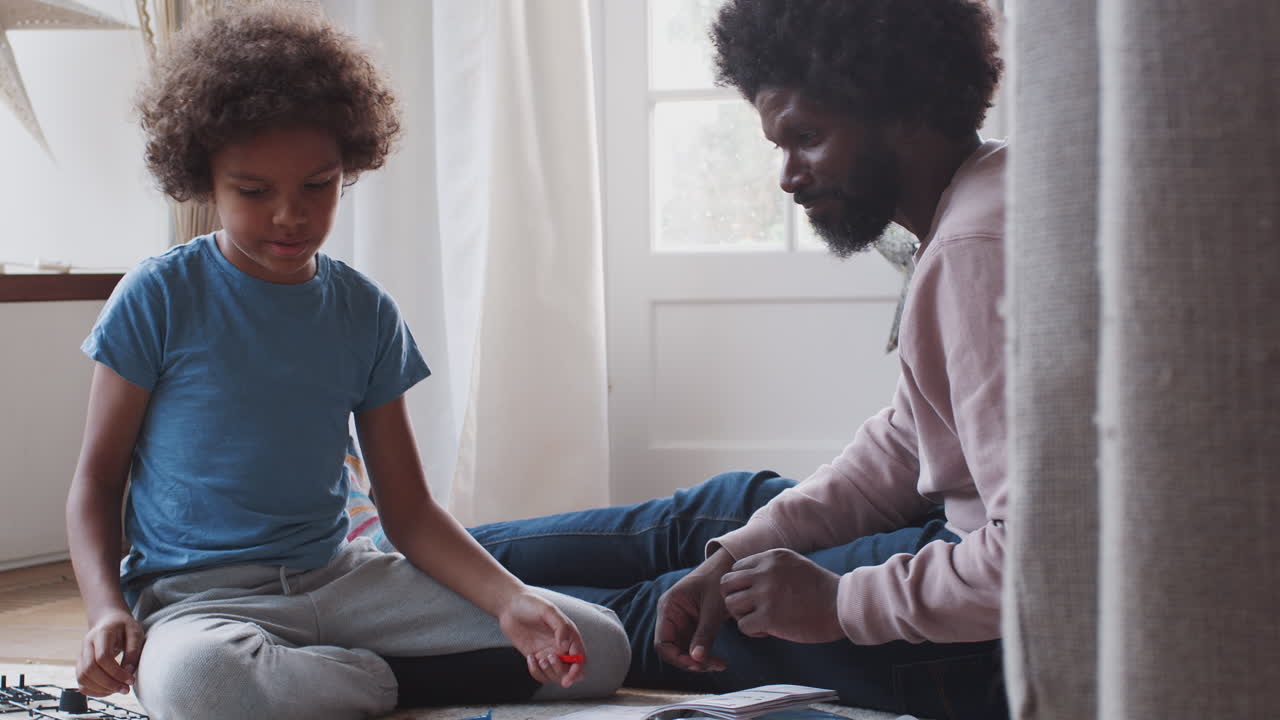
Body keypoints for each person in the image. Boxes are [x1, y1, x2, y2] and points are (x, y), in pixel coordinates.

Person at [64, 5, 627, 719]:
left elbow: (411, 511)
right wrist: (105, 609)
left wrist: (509, 601)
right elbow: (96, 481)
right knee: (203, 685)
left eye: (317, 185)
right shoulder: (159, 296)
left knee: (598, 646)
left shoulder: (364, 313)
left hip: (345, 584)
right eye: (254, 191)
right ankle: (380, 683)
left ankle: (318, 682)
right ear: (205, 177)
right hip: (200, 602)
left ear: (348, 168)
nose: (289, 216)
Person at [461, 0, 1010, 717]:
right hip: (952, 551)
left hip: (967, 641)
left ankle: (359, 622)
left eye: (807, 137)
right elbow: (911, 441)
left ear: (901, 108)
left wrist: (839, 602)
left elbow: (1042, 560)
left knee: (641, 617)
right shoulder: (983, 199)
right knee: (710, 519)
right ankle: (389, 560)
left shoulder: (974, 253)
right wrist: (740, 550)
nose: (787, 176)